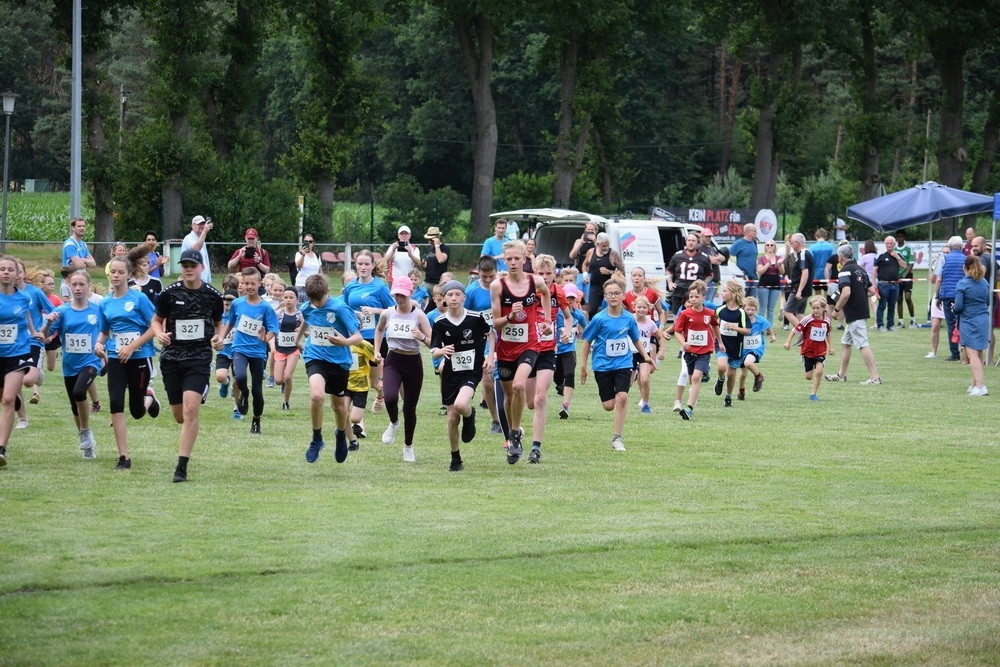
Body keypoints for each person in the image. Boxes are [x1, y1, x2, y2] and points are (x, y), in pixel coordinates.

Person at [152, 249, 224, 482]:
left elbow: (218, 322)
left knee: (191, 410)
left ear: (201, 268)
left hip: (199, 357)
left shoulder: (213, 295)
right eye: (184, 265)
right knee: (180, 416)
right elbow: (156, 320)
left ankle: (181, 467)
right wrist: (159, 334)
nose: (188, 269)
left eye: (193, 265)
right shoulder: (169, 293)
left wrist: (218, 338)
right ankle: (195, 394)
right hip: (172, 358)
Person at [490, 240, 552, 464]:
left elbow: (545, 294)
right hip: (505, 349)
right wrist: (509, 317)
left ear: (525, 260)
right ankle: (513, 433)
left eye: (517, 258)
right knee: (508, 397)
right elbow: (496, 324)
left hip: (530, 344)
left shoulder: (535, 281)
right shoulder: (498, 286)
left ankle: (514, 435)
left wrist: (546, 319)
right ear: (504, 261)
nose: (514, 262)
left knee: (518, 386)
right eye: (509, 259)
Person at [96, 256, 160, 470]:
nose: (115, 275)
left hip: (140, 358)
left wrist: (132, 346)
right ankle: (124, 457)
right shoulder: (105, 302)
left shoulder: (139, 299)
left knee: (136, 411)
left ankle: (149, 397)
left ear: (129, 275)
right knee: (115, 403)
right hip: (115, 358)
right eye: (112, 271)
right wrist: (98, 343)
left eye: (120, 272)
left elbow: (155, 327)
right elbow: (105, 332)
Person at [579, 273, 651, 451]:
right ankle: (612, 397)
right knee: (608, 405)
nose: (613, 296)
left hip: (623, 363)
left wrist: (647, 356)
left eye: (617, 293)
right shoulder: (599, 319)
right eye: (609, 293)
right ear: (604, 296)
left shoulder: (628, 318)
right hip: (602, 365)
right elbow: (587, 342)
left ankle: (617, 438)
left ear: (622, 296)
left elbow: (635, 340)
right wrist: (583, 366)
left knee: (623, 397)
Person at [298, 273, 362, 465]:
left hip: (339, 362)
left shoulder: (340, 308)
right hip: (315, 357)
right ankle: (317, 438)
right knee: (317, 395)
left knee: (338, 406)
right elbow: (306, 319)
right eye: (312, 300)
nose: (316, 303)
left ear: (327, 292)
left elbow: (357, 336)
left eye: (319, 299)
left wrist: (344, 341)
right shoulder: (307, 306)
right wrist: (297, 338)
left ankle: (341, 435)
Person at [430, 280, 493, 471]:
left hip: (471, 370)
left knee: (460, 405)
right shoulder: (440, 322)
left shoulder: (475, 318)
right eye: (450, 295)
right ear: (444, 299)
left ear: (464, 297)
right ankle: (455, 458)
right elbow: (433, 349)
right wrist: (441, 351)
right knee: (451, 418)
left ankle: (470, 414)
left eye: (458, 294)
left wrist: (490, 356)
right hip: (450, 372)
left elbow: (491, 333)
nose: (454, 298)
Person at [40, 270, 103, 459]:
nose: (77, 288)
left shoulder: (97, 310)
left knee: (79, 393)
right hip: (70, 364)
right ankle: (87, 441)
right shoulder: (62, 311)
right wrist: (48, 324)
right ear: (69, 286)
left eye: (81, 284)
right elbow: (45, 337)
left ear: (88, 286)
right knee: (74, 405)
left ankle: (84, 432)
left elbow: (107, 331)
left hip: (91, 361)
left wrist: (103, 349)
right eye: (73, 284)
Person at [374, 276, 433, 462]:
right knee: (390, 397)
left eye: (403, 295)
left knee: (409, 408)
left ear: (411, 294)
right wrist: (377, 350)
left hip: (413, 362)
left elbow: (433, 342)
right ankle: (393, 422)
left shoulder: (419, 315)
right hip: (393, 360)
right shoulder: (388, 313)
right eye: (396, 295)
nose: (399, 299)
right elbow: (379, 330)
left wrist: (421, 336)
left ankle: (408, 446)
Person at [214, 268, 278, 436]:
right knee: (240, 377)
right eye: (246, 283)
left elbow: (273, 329)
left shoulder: (266, 308)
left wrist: (266, 338)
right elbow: (230, 323)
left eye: (252, 283)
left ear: (259, 284)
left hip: (257, 352)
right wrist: (222, 337)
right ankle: (244, 392)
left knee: (258, 390)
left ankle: (256, 419)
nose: (249, 286)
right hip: (239, 348)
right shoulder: (237, 303)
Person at [0, 256, 41, 466]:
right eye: (2, 269)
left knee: (8, 399)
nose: (6, 272)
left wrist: (35, 333)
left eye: (10, 269)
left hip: (17, 353)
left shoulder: (24, 297)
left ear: (17, 274)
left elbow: (27, 318)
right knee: (3, 397)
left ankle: (1, 449)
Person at [342, 249, 394, 411]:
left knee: (373, 382)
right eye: (360, 264)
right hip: (355, 338)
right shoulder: (350, 287)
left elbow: (394, 310)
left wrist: (376, 311)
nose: (363, 267)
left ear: (372, 266)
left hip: (375, 338)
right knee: (357, 377)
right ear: (355, 265)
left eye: (366, 264)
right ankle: (357, 418)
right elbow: (344, 308)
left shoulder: (380, 287)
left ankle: (381, 396)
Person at [824, 244, 882, 385]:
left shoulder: (844, 271)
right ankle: (841, 375)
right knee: (846, 343)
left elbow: (846, 293)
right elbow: (871, 291)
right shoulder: (860, 270)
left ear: (840, 257)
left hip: (854, 313)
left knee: (862, 344)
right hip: (860, 312)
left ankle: (874, 377)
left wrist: (836, 310)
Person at [464, 256, 503, 434]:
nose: (488, 280)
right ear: (478, 272)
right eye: (484, 276)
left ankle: (507, 415)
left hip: (506, 337)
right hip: (484, 340)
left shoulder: (504, 286)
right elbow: (466, 316)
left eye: (491, 276)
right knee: (487, 381)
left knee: (506, 381)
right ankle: (495, 420)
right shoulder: (472, 291)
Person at [671, 280, 719, 420]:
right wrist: (683, 342)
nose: (693, 299)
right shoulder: (685, 314)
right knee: (693, 379)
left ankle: (689, 409)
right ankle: (706, 372)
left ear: (704, 297)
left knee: (696, 377)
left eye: (696, 297)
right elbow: (677, 331)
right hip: (690, 351)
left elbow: (715, 326)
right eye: (691, 297)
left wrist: (719, 342)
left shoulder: (709, 313)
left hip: (704, 351)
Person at [954, 254, 991, 395]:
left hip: (969, 321)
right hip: (983, 319)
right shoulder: (985, 283)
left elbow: (958, 307)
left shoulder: (962, 284)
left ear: (966, 268)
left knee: (972, 355)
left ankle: (980, 387)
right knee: (979, 353)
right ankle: (975, 384)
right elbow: (987, 302)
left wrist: (953, 308)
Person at [784, 296, 832, 401]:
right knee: (808, 376)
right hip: (808, 350)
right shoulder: (808, 319)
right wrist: (788, 341)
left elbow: (827, 333)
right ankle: (806, 363)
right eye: (813, 308)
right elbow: (795, 330)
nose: (815, 310)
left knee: (819, 371)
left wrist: (830, 347)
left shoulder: (827, 321)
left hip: (820, 350)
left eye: (818, 308)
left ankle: (813, 394)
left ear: (823, 308)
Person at [712, 280, 750, 407]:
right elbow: (714, 325)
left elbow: (747, 331)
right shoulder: (719, 310)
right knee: (722, 367)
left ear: (733, 294)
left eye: (724, 291)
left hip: (736, 346)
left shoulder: (741, 312)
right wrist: (717, 340)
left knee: (732, 373)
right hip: (721, 344)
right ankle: (720, 379)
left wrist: (736, 328)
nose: (722, 293)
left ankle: (728, 396)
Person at [555, 283, 587, 420]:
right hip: (555, 349)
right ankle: (561, 386)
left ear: (576, 300)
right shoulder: (556, 313)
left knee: (569, 374)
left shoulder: (579, 314)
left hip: (569, 349)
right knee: (557, 378)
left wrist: (589, 342)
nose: (569, 301)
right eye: (567, 297)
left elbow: (587, 329)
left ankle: (565, 406)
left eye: (572, 298)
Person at [934, 236, 967, 361]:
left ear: (950, 247)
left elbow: (938, 279)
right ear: (961, 246)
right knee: (963, 323)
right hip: (962, 295)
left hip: (947, 295)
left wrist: (937, 296)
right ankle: (966, 352)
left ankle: (954, 354)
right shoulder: (966, 259)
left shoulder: (944, 259)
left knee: (951, 324)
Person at [736, 296, 775, 401]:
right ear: (743, 308)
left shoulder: (760, 320)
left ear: (756, 309)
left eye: (752, 309)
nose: (750, 311)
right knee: (743, 373)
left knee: (748, 363)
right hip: (742, 349)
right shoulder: (740, 320)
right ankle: (741, 390)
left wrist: (772, 335)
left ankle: (759, 377)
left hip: (756, 348)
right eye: (747, 309)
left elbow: (768, 325)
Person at [666, 232, 713, 318]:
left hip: (695, 292)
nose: (691, 242)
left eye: (693, 241)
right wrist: (670, 283)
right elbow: (669, 270)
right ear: (686, 242)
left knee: (695, 316)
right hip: (679, 290)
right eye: (689, 240)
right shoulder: (677, 255)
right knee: (677, 316)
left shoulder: (704, 257)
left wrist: (703, 285)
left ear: (697, 242)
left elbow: (710, 274)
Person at [631, 296, 664, 414]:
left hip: (645, 354)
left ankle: (645, 405)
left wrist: (662, 350)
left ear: (648, 309)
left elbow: (659, 337)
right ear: (634, 307)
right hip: (630, 353)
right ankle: (634, 375)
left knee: (645, 379)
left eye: (644, 307)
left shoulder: (651, 324)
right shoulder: (629, 320)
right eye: (639, 307)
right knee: (628, 383)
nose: (641, 309)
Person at [272, 288, 303, 411]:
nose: (288, 300)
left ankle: (286, 402)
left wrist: (300, 331)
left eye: (291, 298)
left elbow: (308, 330)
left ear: (297, 300)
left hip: (293, 349)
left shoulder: (300, 315)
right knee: (279, 380)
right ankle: (283, 383)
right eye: (286, 298)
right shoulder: (278, 313)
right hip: (280, 349)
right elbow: (272, 328)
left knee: (288, 377)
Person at [582, 232, 624, 318]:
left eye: (607, 245)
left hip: (609, 287)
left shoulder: (613, 254)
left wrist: (609, 272)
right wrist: (585, 275)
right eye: (604, 246)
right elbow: (585, 264)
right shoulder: (591, 252)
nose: (606, 248)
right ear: (598, 244)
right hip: (595, 287)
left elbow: (622, 271)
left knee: (609, 311)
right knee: (592, 310)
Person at [782, 233, 813, 328]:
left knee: (786, 311)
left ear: (796, 243)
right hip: (805, 289)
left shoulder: (803, 254)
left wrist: (799, 290)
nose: (791, 245)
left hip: (799, 289)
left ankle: (804, 333)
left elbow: (805, 273)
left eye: (791, 243)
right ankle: (806, 335)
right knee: (799, 313)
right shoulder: (807, 253)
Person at [925, 246, 949, 359]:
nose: (945, 254)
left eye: (947, 252)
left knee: (953, 326)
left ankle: (956, 352)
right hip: (937, 296)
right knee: (935, 326)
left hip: (949, 295)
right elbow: (933, 280)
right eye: (943, 252)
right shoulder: (939, 263)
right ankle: (933, 351)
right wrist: (936, 267)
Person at [755, 239, 782, 326]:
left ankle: (769, 328)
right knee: (762, 307)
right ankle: (760, 326)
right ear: (765, 247)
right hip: (764, 285)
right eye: (768, 245)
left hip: (776, 285)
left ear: (774, 247)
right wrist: (768, 263)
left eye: (771, 245)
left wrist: (780, 265)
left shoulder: (779, 258)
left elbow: (781, 272)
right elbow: (759, 271)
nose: (769, 247)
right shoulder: (762, 258)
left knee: (771, 309)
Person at [181, 215, 213, 285]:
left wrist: (208, 278)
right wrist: (204, 232)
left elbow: (205, 261)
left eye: (203, 224)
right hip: (193, 279)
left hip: (203, 280)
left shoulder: (202, 240)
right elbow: (196, 249)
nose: (202, 226)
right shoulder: (189, 238)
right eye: (199, 224)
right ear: (193, 226)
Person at [729, 224, 759, 298]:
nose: (756, 233)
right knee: (742, 300)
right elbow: (728, 255)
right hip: (744, 277)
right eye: (754, 231)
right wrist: (735, 269)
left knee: (752, 301)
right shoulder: (739, 243)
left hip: (753, 277)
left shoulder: (754, 242)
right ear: (748, 232)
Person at [894, 230, 917, 327]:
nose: (900, 238)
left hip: (907, 276)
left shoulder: (908, 249)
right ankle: (901, 321)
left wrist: (904, 276)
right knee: (899, 299)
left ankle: (913, 320)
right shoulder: (894, 249)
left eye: (901, 236)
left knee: (908, 297)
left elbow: (911, 264)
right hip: (897, 277)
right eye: (898, 237)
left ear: (904, 237)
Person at [293, 234, 321, 302]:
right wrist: (303, 255)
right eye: (306, 241)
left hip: (314, 286)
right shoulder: (299, 254)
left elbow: (320, 271)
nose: (308, 243)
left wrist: (323, 284)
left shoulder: (316, 255)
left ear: (313, 243)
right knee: (301, 307)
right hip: (302, 285)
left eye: (310, 241)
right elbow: (298, 266)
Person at [698, 230, 724, 302]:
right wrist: (717, 259)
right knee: (707, 302)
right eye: (707, 236)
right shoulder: (699, 248)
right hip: (706, 280)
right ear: (701, 236)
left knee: (710, 301)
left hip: (715, 280)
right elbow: (712, 261)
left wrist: (716, 259)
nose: (709, 238)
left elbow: (723, 259)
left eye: (710, 236)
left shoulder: (711, 248)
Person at [422, 226, 451, 291]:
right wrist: (423, 265)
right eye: (428, 240)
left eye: (431, 240)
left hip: (439, 283)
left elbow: (440, 260)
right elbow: (427, 267)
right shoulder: (429, 249)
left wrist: (437, 245)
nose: (429, 242)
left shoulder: (445, 248)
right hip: (427, 282)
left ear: (438, 237)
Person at [809, 228, 834, 295]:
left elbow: (809, 262)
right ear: (825, 237)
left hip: (816, 274)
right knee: (827, 294)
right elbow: (834, 260)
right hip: (828, 275)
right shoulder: (830, 247)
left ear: (816, 236)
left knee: (817, 295)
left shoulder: (812, 248)